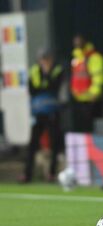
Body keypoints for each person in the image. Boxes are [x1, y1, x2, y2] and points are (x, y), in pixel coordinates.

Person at [20, 49, 64, 183]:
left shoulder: (57, 70)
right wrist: (44, 83)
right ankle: (27, 174)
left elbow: (55, 86)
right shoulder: (34, 71)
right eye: (42, 59)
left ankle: (51, 173)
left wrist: (46, 76)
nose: (45, 62)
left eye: (47, 59)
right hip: (39, 113)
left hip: (52, 112)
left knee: (55, 142)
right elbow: (33, 90)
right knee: (33, 144)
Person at [70, 34, 103, 133]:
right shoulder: (77, 58)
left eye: (79, 40)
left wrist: (94, 94)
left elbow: (98, 77)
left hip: (91, 99)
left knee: (93, 127)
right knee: (82, 128)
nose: (76, 43)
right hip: (79, 98)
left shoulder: (94, 57)